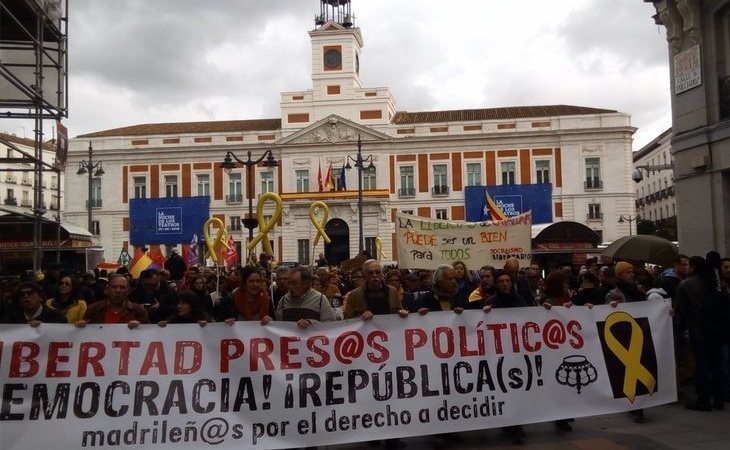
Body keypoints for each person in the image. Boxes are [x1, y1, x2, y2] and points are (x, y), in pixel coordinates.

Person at [676, 256, 724, 411]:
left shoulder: (685, 285)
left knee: (702, 364)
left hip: (697, 328)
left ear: (694, 266)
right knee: (717, 363)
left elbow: (680, 311)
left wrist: (679, 325)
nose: (686, 267)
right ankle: (718, 398)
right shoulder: (715, 283)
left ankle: (703, 399)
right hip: (715, 329)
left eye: (688, 264)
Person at [264, 266, 336, 328]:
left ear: (306, 283)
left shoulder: (320, 300)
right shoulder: (283, 301)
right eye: (290, 283)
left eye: (294, 283)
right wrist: (271, 322)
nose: (290, 287)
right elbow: (279, 325)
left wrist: (311, 323)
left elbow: (330, 325)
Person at [77, 274, 149, 328]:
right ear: (106, 290)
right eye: (114, 287)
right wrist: (80, 327)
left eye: (122, 287)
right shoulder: (93, 309)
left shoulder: (138, 311)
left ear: (128, 291)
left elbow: (148, 336)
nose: (118, 290)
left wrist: (140, 328)